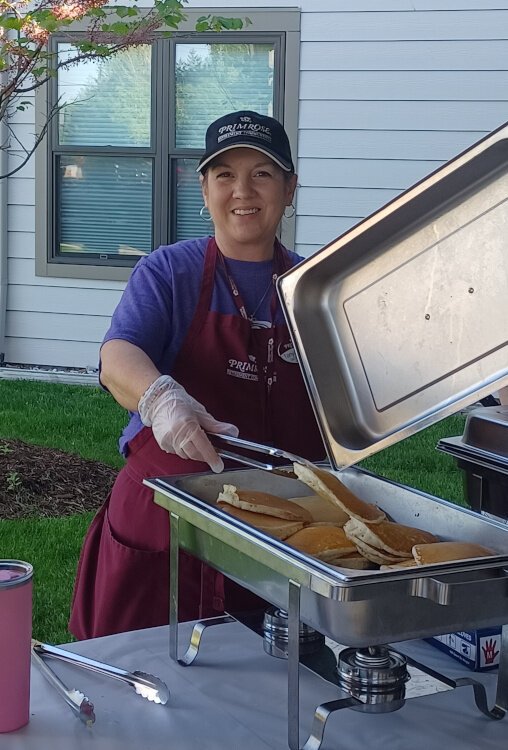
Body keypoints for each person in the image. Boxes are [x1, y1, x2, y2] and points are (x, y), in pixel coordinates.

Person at [69, 110, 325, 640]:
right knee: (129, 684)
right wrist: (161, 398)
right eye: (225, 174)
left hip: (278, 531)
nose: (242, 190)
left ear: (290, 188)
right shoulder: (168, 271)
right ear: (204, 187)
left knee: (266, 693)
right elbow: (117, 357)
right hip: (166, 521)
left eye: (263, 173)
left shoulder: (315, 290)